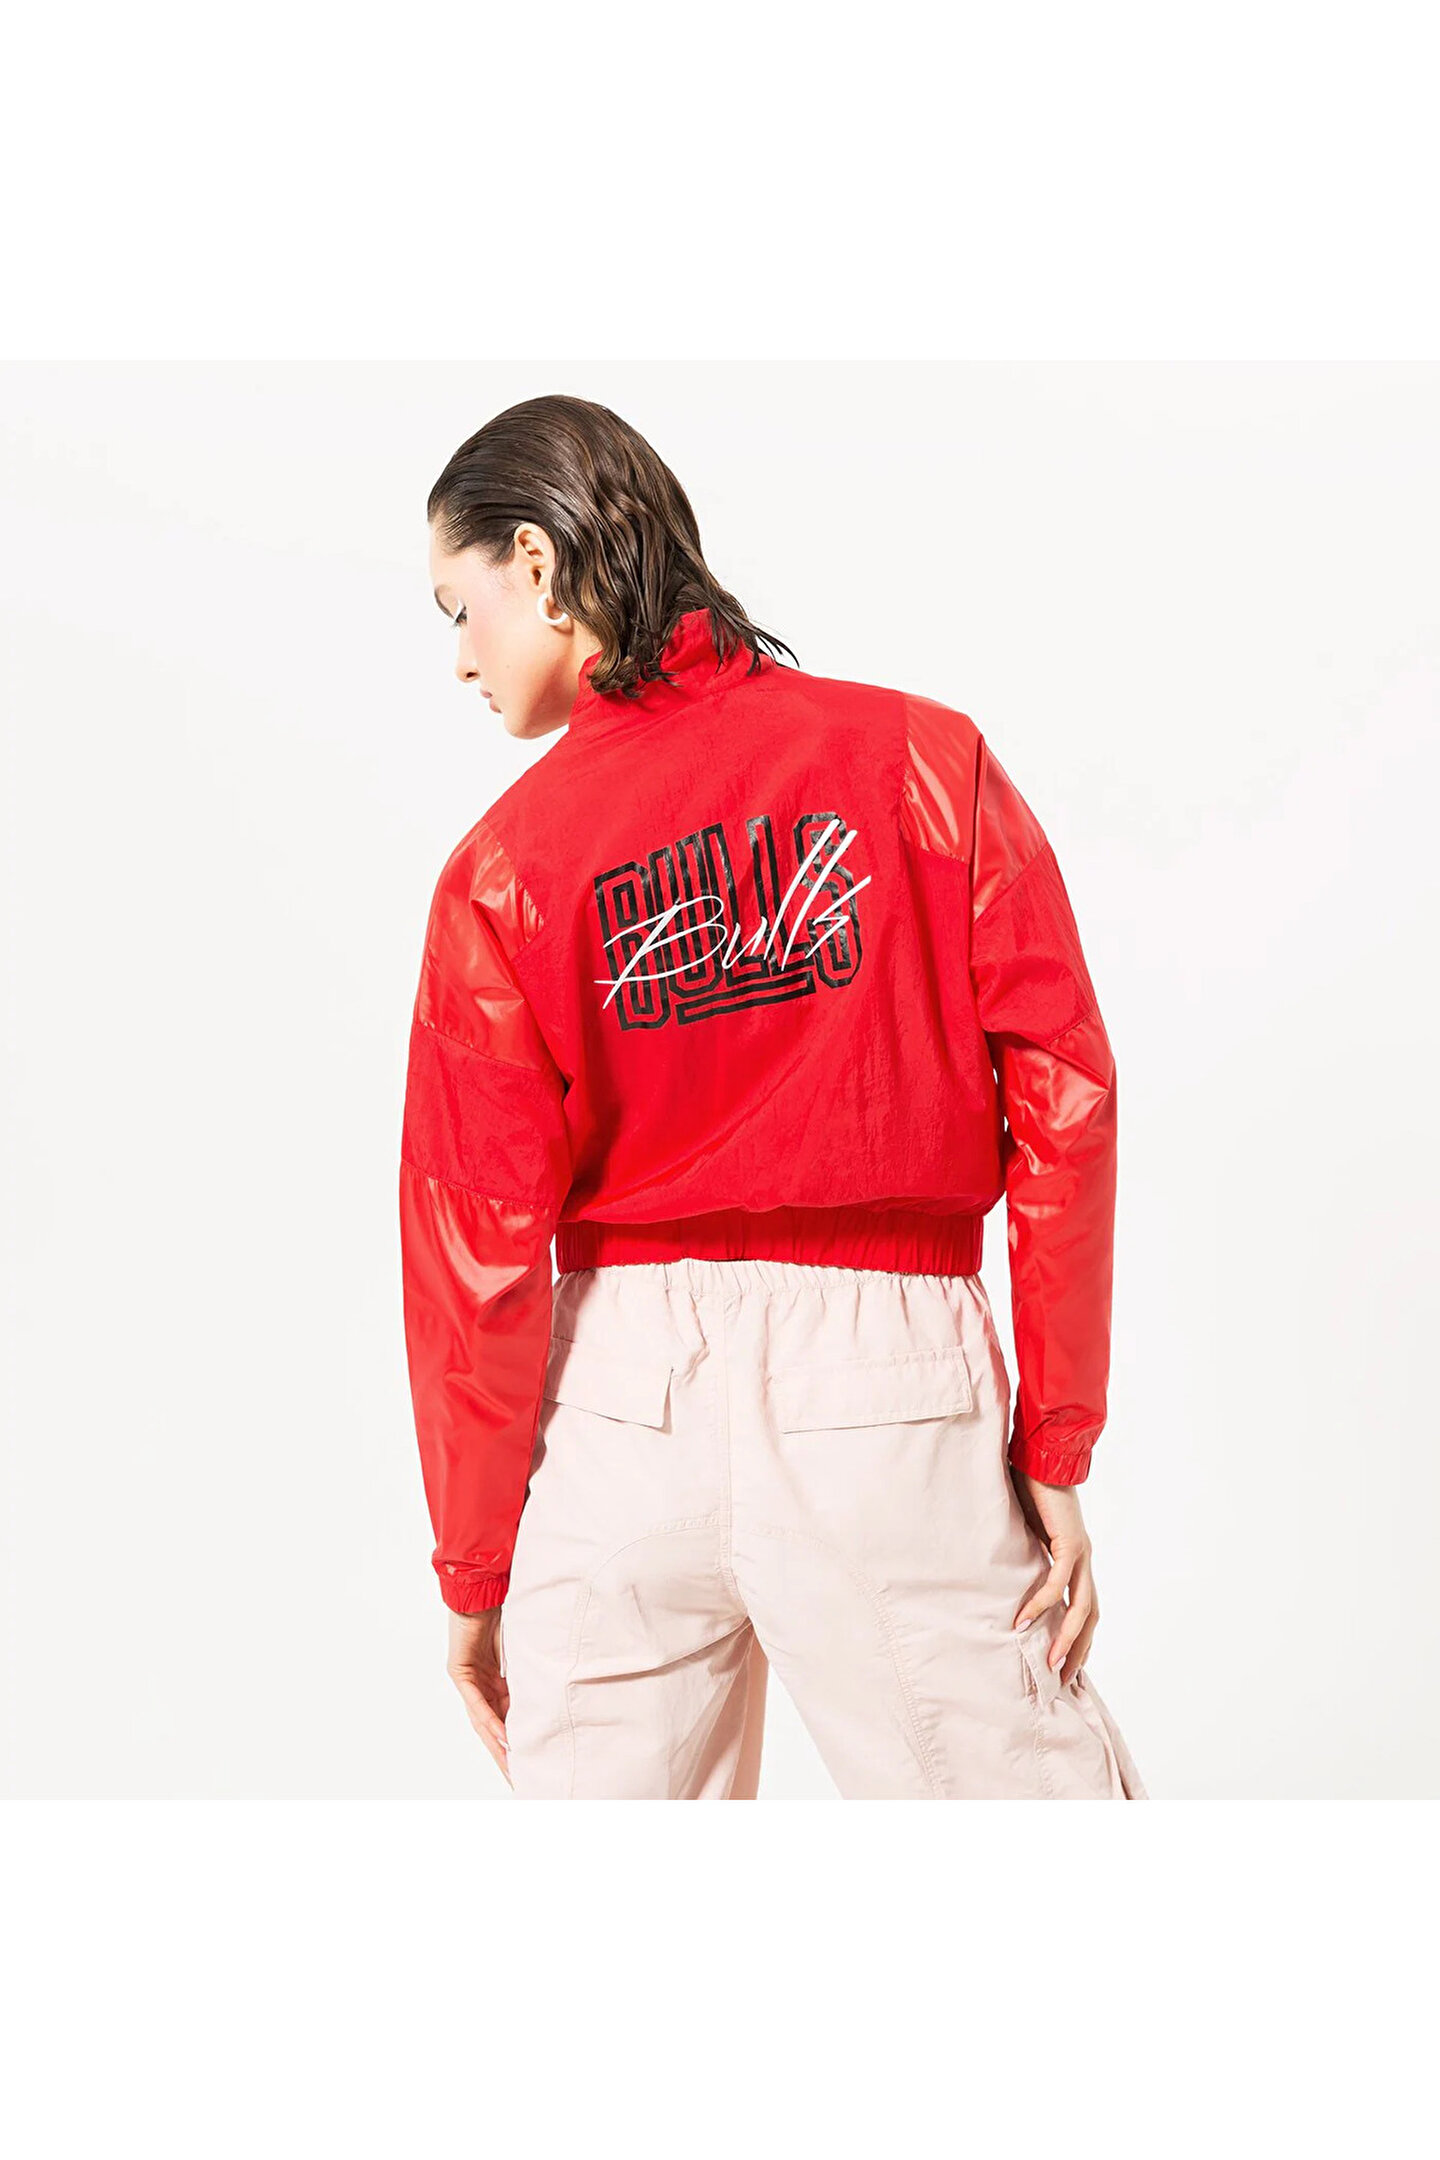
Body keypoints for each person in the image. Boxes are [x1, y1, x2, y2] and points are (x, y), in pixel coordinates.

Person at [399, 392, 1146, 1801]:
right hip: (886, 1393)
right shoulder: (922, 763)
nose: (460, 658)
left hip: (620, 1410)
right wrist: (1054, 1439)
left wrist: (477, 1565)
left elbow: (472, 1240)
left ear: (538, 567)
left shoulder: (504, 868)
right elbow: (1064, 1096)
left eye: (460, 607)